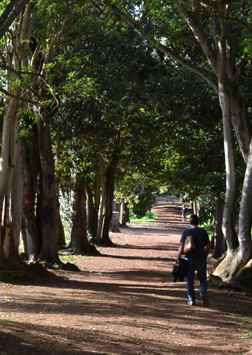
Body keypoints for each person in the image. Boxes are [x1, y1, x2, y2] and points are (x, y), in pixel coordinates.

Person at [176, 214, 211, 307]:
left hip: (189, 259)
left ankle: (192, 299)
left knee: (190, 279)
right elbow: (208, 247)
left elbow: (181, 246)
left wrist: (178, 257)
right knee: (202, 278)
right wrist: (205, 256)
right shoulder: (204, 232)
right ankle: (203, 292)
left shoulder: (186, 231)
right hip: (201, 259)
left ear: (190, 222)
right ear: (198, 222)